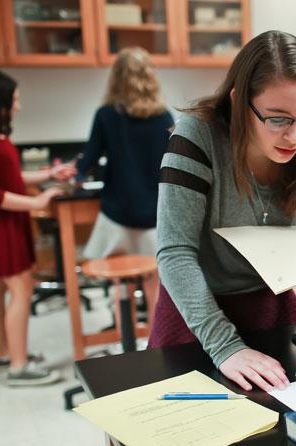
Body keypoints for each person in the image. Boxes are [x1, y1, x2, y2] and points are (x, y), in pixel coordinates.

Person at [149, 30, 296, 392]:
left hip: (271, 311)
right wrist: (226, 347)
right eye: (278, 119)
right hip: (196, 312)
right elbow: (175, 252)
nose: (295, 137)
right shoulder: (197, 138)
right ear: (238, 102)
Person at [0, 69, 73, 386]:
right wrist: (37, 203)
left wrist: (47, 177)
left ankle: (4, 355)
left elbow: (9, 178)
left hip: (0, 222)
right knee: (21, 289)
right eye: (13, 99)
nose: (18, 105)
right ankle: (18, 365)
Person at [76, 47, 173, 325]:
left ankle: (123, 343)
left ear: (116, 78)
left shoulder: (106, 115)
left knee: (122, 283)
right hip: (155, 217)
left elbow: (89, 159)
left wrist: (78, 176)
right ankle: (157, 345)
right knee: (156, 282)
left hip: (118, 216)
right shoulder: (164, 117)